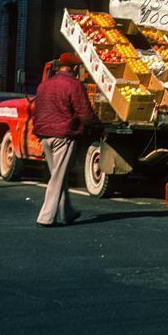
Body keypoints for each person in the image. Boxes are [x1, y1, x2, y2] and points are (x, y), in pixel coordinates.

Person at [33, 52, 102, 226]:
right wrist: (98, 127)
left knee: (58, 175)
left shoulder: (44, 86)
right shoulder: (74, 85)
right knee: (57, 178)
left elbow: (37, 110)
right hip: (63, 135)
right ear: (75, 68)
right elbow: (84, 113)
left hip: (44, 134)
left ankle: (66, 212)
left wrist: (38, 131)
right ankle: (46, 217)